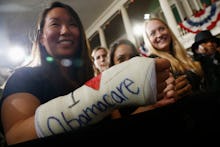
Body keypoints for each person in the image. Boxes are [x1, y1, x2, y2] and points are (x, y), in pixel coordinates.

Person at [0, 2, 172, 145]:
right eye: (55, 24)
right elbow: (17, 136)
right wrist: (106, 92)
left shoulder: (94, 80)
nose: (65, 30)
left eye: (73, 24)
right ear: (41, 38)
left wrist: (152, 106)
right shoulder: (23, 78)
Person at [109, 39, 176, 118]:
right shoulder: (111, 95)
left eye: (132, 57)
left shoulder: (153, 79)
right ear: (113, 66)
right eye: (121, 59)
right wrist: (153, 106)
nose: (128, 62)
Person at [143, 18, 204, 99]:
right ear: (148, 40)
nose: (159, 35)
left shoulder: (187, 55)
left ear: (169, 30)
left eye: (161, 29)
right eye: (152, 33)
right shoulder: (153, 63)